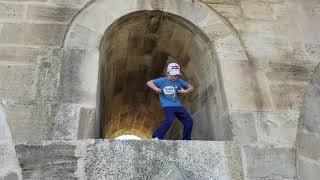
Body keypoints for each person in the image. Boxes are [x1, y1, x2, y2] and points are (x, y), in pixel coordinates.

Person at [146, 63, 194, 140]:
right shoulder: (162, 80)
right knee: (169, 120)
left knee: (189, 121)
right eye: (173, 75)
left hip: (178, 105)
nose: (175, 77)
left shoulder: (179, 81)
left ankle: (186, 140)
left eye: (177, 75)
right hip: (167, 105)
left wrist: (184, 91)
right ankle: (157, 136)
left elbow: (191, 87)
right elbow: (149, 82)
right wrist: (156, 89)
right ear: (168, 73)